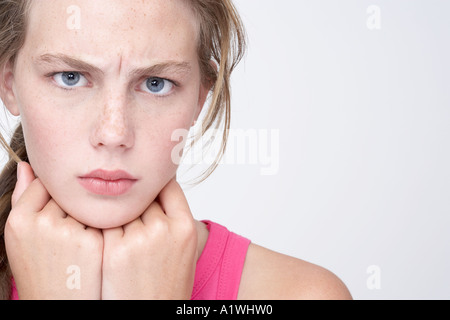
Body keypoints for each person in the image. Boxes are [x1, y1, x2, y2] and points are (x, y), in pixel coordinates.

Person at [0, 0, 352, 300]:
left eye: (156, 84)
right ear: (9, 83)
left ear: (201, 96)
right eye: (70, 77)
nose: (113, 133)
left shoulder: (301, 294)